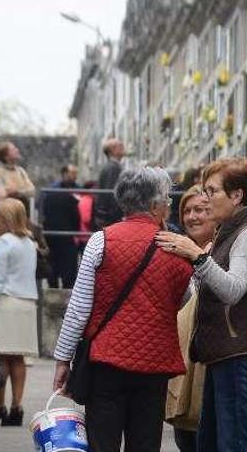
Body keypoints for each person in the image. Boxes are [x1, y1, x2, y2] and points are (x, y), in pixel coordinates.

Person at [52, 167, 195, 452]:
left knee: (102, 441)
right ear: (155, 205)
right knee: (145, 442)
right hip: (154, 364)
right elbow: (186, 296)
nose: (169, 205)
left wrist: (62, 359)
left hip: (106, 362)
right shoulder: (176, 247)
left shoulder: (101, 240)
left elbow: (79, 308)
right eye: (167, 200)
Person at [155, 157, 247, 452]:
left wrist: (196, 256)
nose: (206, 200)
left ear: (236, 195)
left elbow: (233, 289)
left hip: (239, 351)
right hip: (223, 351)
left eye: (212, 192)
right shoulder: (231, 230)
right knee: (209, 442)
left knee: (232, 442)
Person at [0, 198, 40, 426]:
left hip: (5, 302)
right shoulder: (29, 243)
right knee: (19, 358)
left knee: (1, 356)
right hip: (26, 303)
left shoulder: (3, 243)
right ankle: (17, 406)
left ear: (5, 219)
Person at [165, 185, 217, 452]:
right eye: (187, 210)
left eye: (201, 210)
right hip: (180, 357)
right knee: (184, 437)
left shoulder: (223, 250)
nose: (192, 216)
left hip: (210, 358)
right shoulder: (174, 252)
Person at [42, 165, 81, 288]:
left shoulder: (51, 192)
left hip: (59, 235)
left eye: (76, 173)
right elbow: (76, 217)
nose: (75, 176)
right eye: (72, 173)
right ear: (64, 173)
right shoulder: (56, 191)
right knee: (64, 266)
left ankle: (56, 288)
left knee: (59, 265)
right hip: (61, 235)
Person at [92, 138, 126, 229]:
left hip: (107, 217)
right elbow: (111, 193)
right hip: (109, 220)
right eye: (119, 145)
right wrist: (118, 217)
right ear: (112, 150)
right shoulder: (113, 168)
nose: (122, 146)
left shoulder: (112, 166)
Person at [75, 180, 96, 255]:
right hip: (86, 235)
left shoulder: (82, 198)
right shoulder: (88, 200)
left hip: (80, 234)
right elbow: (86, 219)